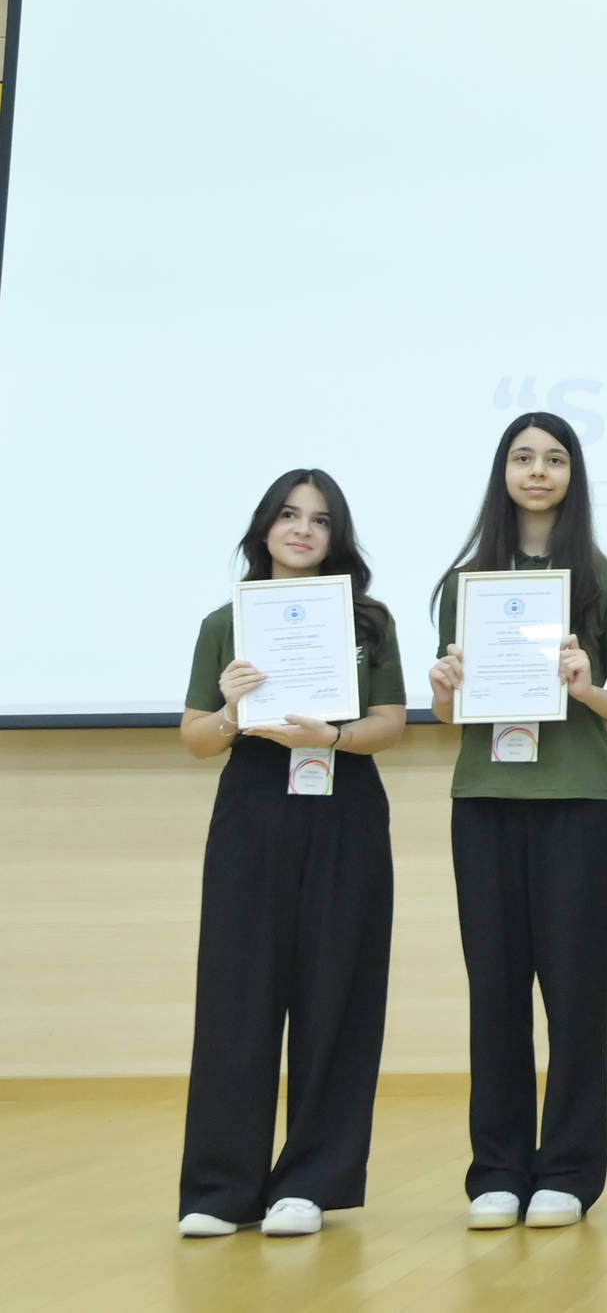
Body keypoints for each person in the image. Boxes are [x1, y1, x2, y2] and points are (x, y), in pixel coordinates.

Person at [176, 469, 407, 1238]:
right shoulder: (225, 621)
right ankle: (222, 1187)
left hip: (344, 806)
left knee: (337, 991)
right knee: (236, 992)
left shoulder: (368, 621)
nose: (303, 529)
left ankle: (310, 1182)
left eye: (320, 518)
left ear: (337, 536)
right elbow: (195, 738)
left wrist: (331, 735)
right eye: (288, 514)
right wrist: (233, 709)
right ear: (264, 528)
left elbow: (391, 721)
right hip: (253, 809)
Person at [430, 412, 607, 1231]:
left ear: (573, 475)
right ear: (503, 473)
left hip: (578, 804)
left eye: (554, 459)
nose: (538, 471)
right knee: (495, 991)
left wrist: (586, 687)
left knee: (577, 994)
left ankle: (569, 1169)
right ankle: (497, 1168)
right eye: (523, 458)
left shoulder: (606, 581)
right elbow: (448, 715)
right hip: (484, 803)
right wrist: (444, 689)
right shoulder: (466, 584)